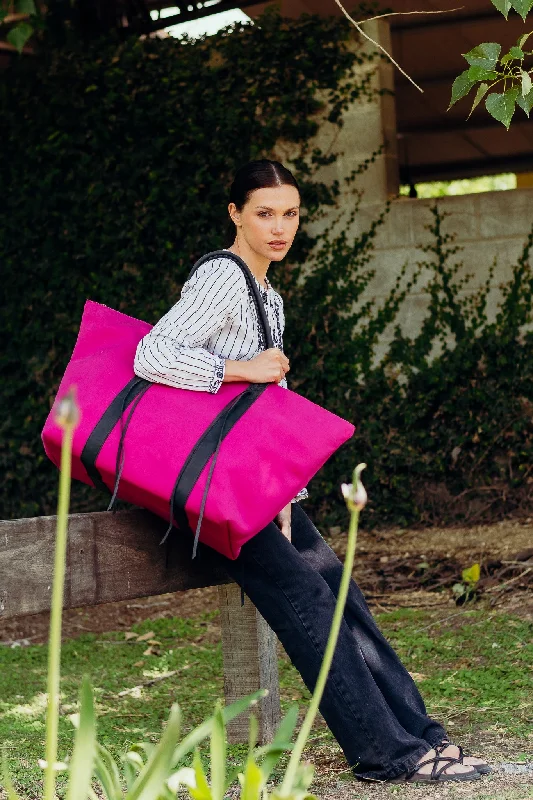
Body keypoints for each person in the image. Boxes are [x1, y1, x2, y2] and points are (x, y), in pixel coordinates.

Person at [133, 159, 490, 784]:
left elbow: (259, 417)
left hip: (253, 491)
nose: (279, 227)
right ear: (235, 214)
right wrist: (246, 369)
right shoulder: (223, 277)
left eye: (290, 213)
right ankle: (386, 753)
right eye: (264, 213)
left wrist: (284, 492)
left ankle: (419, 733)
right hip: (213, 493)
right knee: (309, 604)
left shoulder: (265, 292)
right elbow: (153, 353)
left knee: (342, 598)